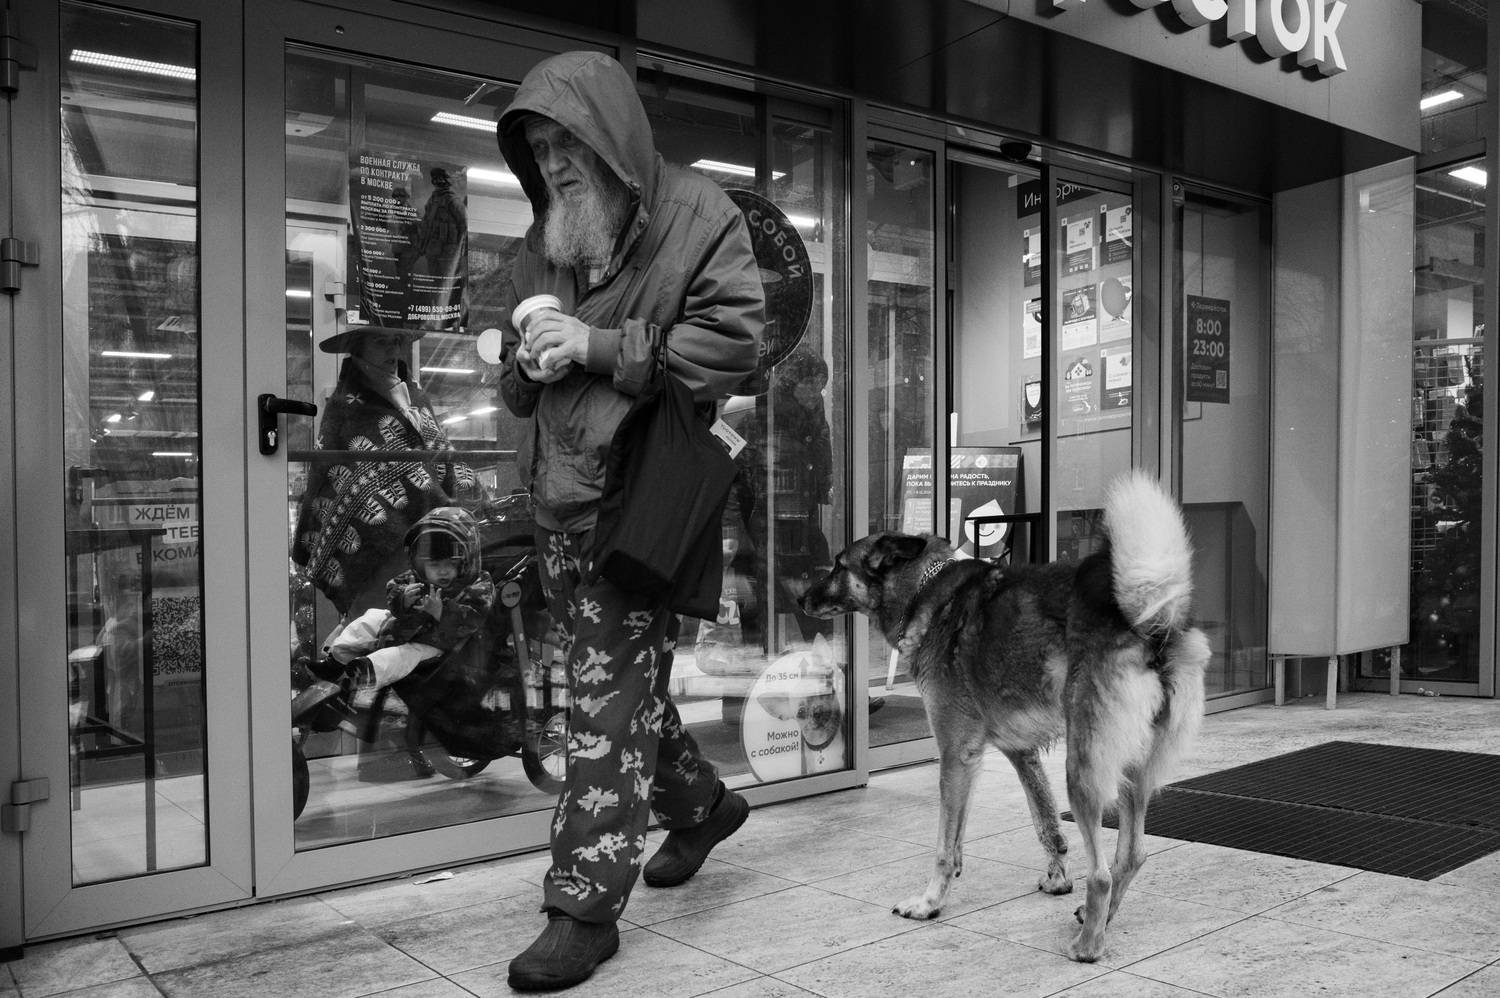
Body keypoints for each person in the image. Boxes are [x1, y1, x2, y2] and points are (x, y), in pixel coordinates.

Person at [493, 51, 764, 991]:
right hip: (557, 509)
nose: (553, 165)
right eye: (538, 150)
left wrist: (599, 344)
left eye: (566, 144)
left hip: (639, 505)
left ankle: (582, 908)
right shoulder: (544, 237)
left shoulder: (701, 216)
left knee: (601, 713)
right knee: (617, 688)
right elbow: (517, 389)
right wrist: (525, 366)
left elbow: (733, 343)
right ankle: (702, 808)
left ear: (608, 137)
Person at [291, 323, 482, 777]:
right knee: (384, 634)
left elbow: (438, 455)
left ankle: (426, 742)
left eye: (397, 340)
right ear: (357, 348)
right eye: (381, 340)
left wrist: (459, 497)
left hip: (430, 541)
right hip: (377, 549)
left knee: (422, 642)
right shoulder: (346, 407)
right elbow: (350, 477)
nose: (392, 348)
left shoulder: (415, 395)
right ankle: (384, 759)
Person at [292, 506, 495, 722]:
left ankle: (365, 673)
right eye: (435, 565)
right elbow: (393, 590)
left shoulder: (477, 585)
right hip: (401, 628)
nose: (443, 571)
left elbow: (475, 618)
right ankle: (334, 662)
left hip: (438, 646)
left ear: (465, 562)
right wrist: (403, 599)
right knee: (369, 619)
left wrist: (441, 612)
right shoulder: (414, 578)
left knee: (403, 656)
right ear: (421, 562)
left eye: (450, 564)